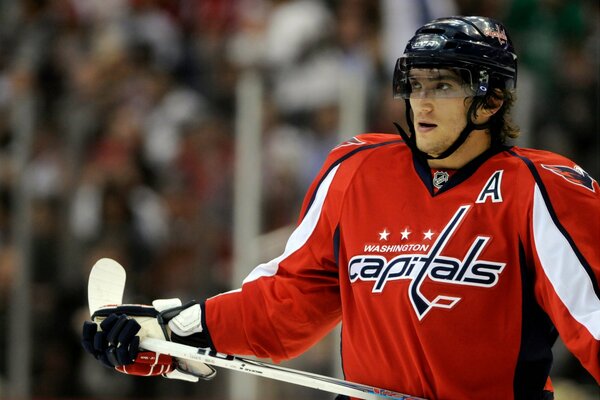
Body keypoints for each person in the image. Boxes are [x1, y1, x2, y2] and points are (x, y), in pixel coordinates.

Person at [81, 16, 600, 399]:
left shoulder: (540, 188)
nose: (421, 102)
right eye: (415, 84)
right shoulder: (356, 171)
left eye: (442, 86)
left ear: (490, 101)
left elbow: (594, 319)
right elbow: (289, 303)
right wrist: (177, 331)